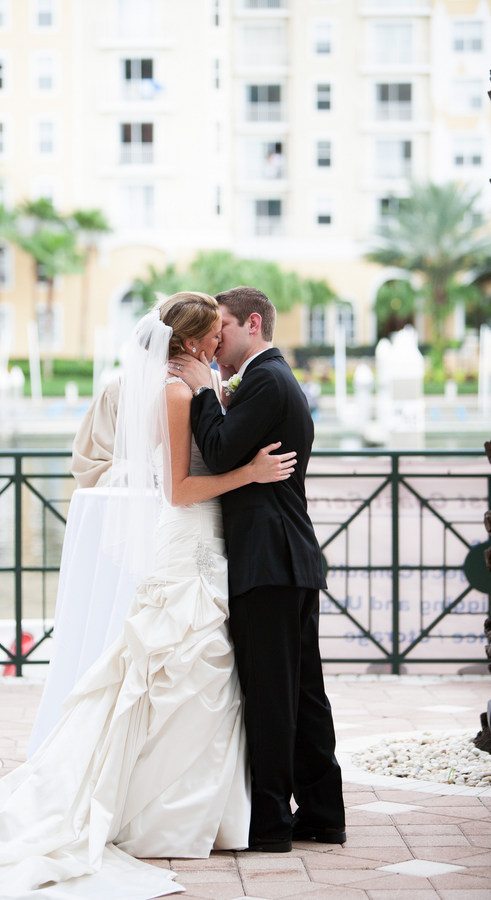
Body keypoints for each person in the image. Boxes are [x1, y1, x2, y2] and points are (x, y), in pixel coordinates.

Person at [0, 292, 296, 900]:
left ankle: (196, 810)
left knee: (203, 677)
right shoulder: (175, 391)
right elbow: (181, 490)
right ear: (189, 342)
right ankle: (158, 814)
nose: (220, 342)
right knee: (185, 671)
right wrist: (251, 474)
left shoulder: (195, 384)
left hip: (206, 545)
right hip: (188, 539)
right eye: (213, 334)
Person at [169, 285, 345, 852]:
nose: (215, 338)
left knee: (272, 696)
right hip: (287, 554)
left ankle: (270, 825)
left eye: (222, 326)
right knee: (303, 694)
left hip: (267, 559)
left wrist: (200, 395)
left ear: (252, 324)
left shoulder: (266, 379)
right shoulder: (271, 378)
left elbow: (219, 452)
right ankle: (322, 811)